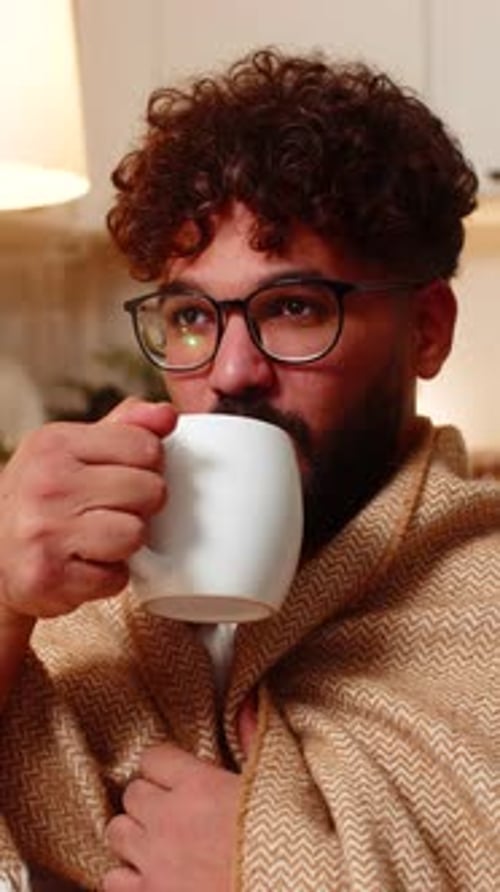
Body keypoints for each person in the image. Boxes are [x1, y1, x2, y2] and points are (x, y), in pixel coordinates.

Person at [0, 48, 499, 891]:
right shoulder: (77, 607)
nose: (230, 371)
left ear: (426, 331)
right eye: (191, 315)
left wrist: (271, 872)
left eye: (295, 307)